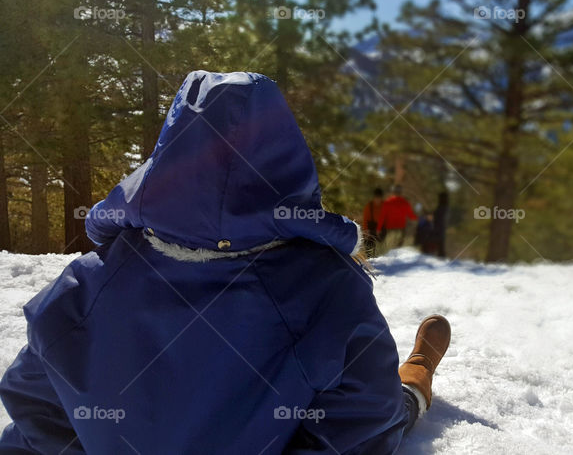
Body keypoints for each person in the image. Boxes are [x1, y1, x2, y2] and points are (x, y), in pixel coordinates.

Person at [0, 71, 452, 454]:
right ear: (287, 161)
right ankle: (418, 379)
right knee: (397, 405)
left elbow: (31, 400)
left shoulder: (84, 285)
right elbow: (364, 425)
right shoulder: (329, 290)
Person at [377, 184, 417, 251]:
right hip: (401, 230)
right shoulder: (405, 202)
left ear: (392, 192)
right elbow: (411, 216)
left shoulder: (387, 202)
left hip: (390, 230)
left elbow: (382, 217)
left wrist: (378, 229)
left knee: (390, 251)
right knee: (398, 251)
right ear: (401, 192)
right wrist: (418, 217)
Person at [362, 187, 384, 256]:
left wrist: (379, 229)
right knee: (368, 241)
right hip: (371, 228)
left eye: (379, 197)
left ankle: (381, 255)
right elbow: (365, 220)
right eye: (376, 197)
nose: (377, 199)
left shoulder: (384, 206)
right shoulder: (369, 206)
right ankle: (369, 257)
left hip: (382, 228)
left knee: (381, 242)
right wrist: (366, 230)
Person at [434, 191, 449, 258]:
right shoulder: (444, 206)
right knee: (440, 240)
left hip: (440, 225)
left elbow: (438, 215)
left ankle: (441, 254)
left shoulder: (442, 207)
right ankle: (441, 254)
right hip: (440, 225)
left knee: (440, 239)